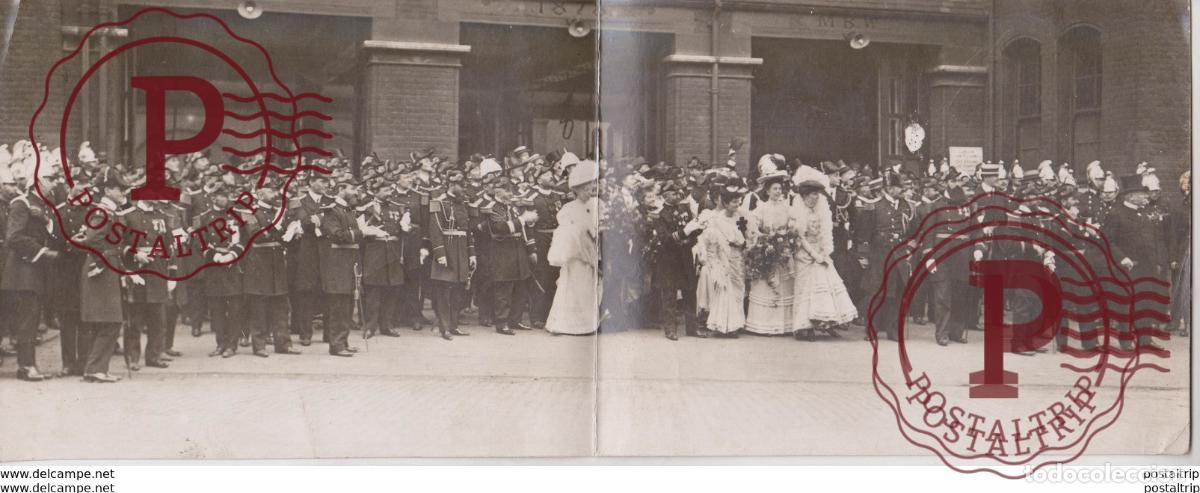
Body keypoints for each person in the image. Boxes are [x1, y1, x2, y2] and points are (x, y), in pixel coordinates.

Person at [790, 178, 858, 340]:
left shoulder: (821, 210)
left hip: (820, 252)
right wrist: (814, 255)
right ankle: (804, 327)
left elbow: (825, 233)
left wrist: (824, 253)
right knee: (805, 291)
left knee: (826, 288)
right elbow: (799, 238)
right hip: (805, 254)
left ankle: (826, 323)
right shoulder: (797, 212)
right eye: (813, 194)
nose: (816, 197)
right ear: (804, 196)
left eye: (817, 194)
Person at [545, 160, 600, 336]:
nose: (588, 192)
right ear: (577, 191)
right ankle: (565, 325)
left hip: (591, 253)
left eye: (590, 188)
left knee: (588, 289)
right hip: (575, 255)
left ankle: (588, 324)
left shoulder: (596, 205)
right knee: (572, 288)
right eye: (585, 189)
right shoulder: (568, 208)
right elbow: (565, 232)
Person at [744, 170, 794, 335]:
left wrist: (787, 235)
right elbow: (752, 226)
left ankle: (783, 325)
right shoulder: (762, 208)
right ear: (767, 191)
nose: (778, 192)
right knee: (766, 283)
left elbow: (792, 225)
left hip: (783, 249)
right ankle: (763, 324)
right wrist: (763, 238)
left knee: (783, 284)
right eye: (774, 189)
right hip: (766, 249)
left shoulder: (787, 208)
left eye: (780, 188)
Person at [318, 180, 364, 357]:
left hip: (349, 263)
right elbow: (337, 236)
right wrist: (362, 232)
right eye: (352, 188)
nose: (356, 193)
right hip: (337, 265)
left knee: (347, 305)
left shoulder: (348, 210)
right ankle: (336, 345)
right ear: (340, 189)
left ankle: (343, 342)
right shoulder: (331, 211)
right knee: (338, 306)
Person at [429, 170, 476, 340]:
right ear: (451, 184)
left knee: (458, 290)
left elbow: (468, 231)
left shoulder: (463, 203)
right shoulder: (437, 202)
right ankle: (444, 327)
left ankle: (454, 325)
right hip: (447, 249)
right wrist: (440, 253)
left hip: (461, 250)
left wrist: (472, 253)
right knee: (444, 291)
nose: (464, 189)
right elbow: (435, 230)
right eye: (461, 186)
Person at [695, 182, 747, 337]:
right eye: (734, 202)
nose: (737, 205)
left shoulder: (741, 217)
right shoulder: (716, 219)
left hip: (737, 256)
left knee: (739, 286)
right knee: (726, 291)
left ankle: (738, 322)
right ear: (725, 203)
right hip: (723, 257)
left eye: (738, 201)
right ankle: (726, 324)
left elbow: (744, 236)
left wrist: (743, 245)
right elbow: (713, 241)